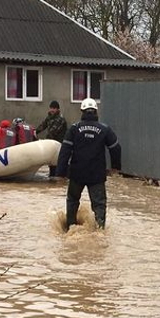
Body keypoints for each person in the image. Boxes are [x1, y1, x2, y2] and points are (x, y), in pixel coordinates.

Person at [56, 98, 121, 231]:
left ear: (82, 111)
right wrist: (116, 167)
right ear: (96, 111)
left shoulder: (74, 129)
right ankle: (100, 230)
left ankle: (70, 228)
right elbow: (116, 148)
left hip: (76, 174)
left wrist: (60, 172)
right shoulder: (104, 129)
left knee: (72, 201)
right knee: (99, 205)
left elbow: (65, 150)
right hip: (96, 175)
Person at [36, 100, 67, 177]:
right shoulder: (49, 118)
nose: (52, 110)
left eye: (54, 108)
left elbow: (53, 132)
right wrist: (34, 132)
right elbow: (42, 126)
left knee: (57, 165)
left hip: (59, 145)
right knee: (52, 166)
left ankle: (59, 177)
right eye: (51, 108)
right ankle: (52, 178)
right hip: (51, 145)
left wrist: (43, 142)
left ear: (58, 109)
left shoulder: (60, 119)